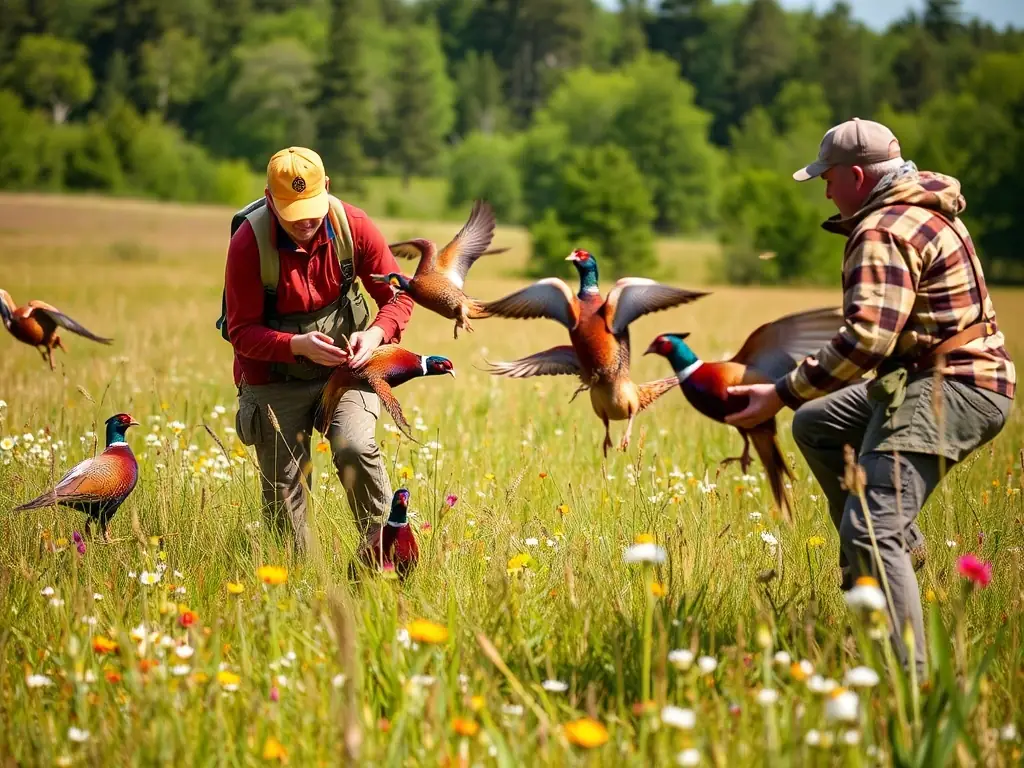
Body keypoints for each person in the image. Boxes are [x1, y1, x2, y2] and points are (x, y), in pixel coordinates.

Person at [726, 118, 1015, 674]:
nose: (826, 190)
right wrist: (803, 397)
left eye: (828, 179)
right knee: (818, 423)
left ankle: (912, 686)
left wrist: (781, 392)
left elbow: (866, 339)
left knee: (869, 527)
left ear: (856, 175)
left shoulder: (883, 228)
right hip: (945, 377)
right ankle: (900, 550)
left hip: (952, 387)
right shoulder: (926, 210)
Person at [224, 146, 414, 554]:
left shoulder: (354, 227)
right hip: (272, 377)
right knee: (286, 495)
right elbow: (241, 333)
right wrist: (297, 346)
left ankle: (383, 557)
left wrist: (376, 335)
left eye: (313, 207)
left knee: (354, 446)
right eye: (293, 214)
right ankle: (294, 585)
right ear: (269, 197)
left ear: (327, 187)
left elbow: (400, 297)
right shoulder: (247, 243)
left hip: (346, 371)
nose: (306, 222)